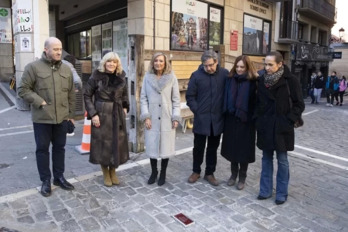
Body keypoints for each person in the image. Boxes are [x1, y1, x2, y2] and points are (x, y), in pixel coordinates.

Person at [18, 37, 76, 197]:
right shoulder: (33, 68)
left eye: (60, 49)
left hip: (62, 118)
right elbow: (22, 89)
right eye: (55, 49)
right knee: (42, 150)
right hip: (42, 118)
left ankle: (59, 177)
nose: (59, 52)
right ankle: (45, 181)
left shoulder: (66, 69)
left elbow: (71, 93)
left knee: (60, 149)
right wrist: (39, 101)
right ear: (46, 50)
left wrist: (71, 115)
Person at [254, 51, 304, 205]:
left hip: (282, 127)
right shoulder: (261, 80)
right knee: (266, 159)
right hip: (266, 126)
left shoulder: (291, 81)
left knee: (282, 160)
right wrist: (258, 120)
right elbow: (257, 103)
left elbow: (299, 104)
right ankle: (265, 190)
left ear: (280, 64)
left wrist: (288, 121)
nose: (267, 67)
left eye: (270, 64)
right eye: (265, 64)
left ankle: (281, 193)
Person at [84, 52, 129, 187]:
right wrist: (94, 114)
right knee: (103, 143)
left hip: (117, 113)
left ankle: (113, 170)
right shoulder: (96, 76)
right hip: (102, 112)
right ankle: (105, 172)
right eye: (109, 61)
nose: (111, 64)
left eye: (114, 62)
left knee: (118, 142)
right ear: (104, 63)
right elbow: (87, 95)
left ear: (117, 64)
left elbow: (125, 94)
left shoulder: (121, 76)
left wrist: (125, 107)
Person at [186, 50, 229, 186]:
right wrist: (197, 110)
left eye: (211, 65)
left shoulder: (224, 74)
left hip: (217, 119)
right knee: (198, 147)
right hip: (201, 118)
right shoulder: (196, 76)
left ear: (216, 62)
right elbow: (190, 96)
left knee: (212, 148)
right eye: (205, 65)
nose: (208, 68)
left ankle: (209, 173)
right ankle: (196, 171)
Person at [140, 52, 181, 186]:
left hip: (166, 117)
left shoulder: (171, 77)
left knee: (165, 146)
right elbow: (143, 98)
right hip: (151, 117)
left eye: (161, 61)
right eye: (156, 60)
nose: (158, 63)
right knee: (152, 145)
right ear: (152, 62)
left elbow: (176, 99)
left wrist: (175, 116)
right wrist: (146, 116)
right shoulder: (147, 77)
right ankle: (154, 172)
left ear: (165, 63)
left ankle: (163, 172)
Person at [221, 55, 258, 190]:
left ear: (247, 67)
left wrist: (251, 118)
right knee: (232, 149)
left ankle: (242, 177)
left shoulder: (254, 81)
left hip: (246, 121)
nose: (239, 69)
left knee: (244, 151)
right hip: (231, 119)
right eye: (237, 66)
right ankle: (233, 175)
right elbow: (225, 96)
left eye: (242, 67)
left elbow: (256, 102)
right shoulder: (230, 80)